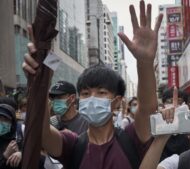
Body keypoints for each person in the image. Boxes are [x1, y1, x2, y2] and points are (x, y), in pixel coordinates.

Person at [22, 0, 163, 168]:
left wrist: (145, 63)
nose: (92, 99)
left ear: (117, 101)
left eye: (102, 92)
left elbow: (147, 108)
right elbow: (43, 131)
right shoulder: (72, 145)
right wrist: (41, 78)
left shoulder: (132, 138)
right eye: (86, 94)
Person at [159, 87, 190, 161]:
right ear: (163, 105)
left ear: (185, 105)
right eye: (169, 101)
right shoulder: (158, 128)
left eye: (180, 102)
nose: (173, 106)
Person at [0, 97, 22, 169]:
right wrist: (5, 156)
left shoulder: (19, 136)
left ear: (13, 123)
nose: (1, 122)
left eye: (6, 119)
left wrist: (22, 154)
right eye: (0, 117)